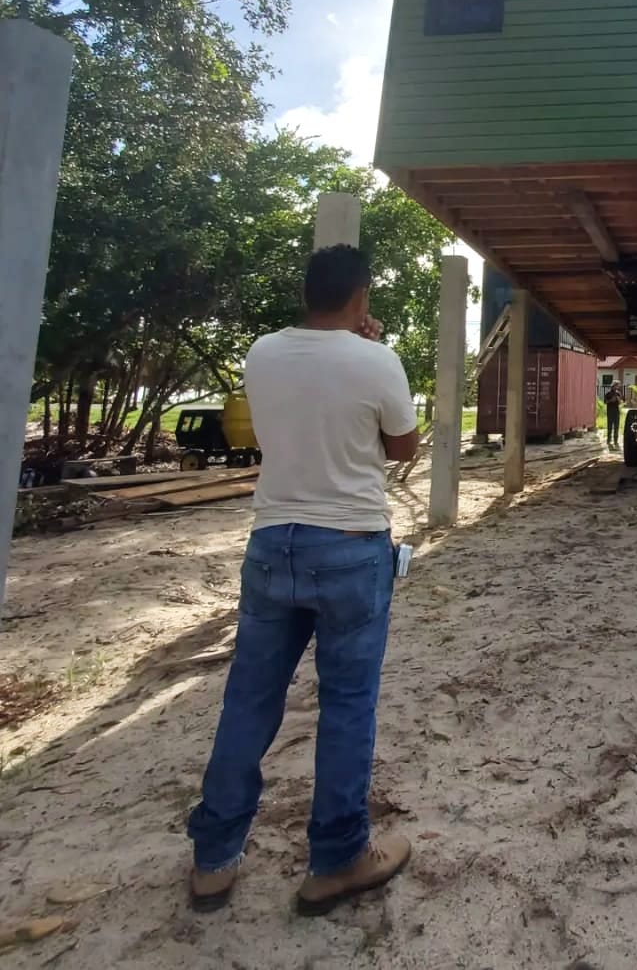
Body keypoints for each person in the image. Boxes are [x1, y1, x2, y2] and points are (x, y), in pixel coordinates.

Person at [187, 245, 420, 917]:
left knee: (250, 698)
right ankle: (339, 857)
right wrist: (368, 351)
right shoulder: (377, 359)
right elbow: (402, 445)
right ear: (362, 296)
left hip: (271, 543)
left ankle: (213, 859)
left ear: (307, 292)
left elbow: (289, 416)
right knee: (346, 704)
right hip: (350, 545)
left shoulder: (262, 352)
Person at [604, 381, 625, 448]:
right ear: (613, 386)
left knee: (616, 427)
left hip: (616, 412)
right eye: (616, 386)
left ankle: (615, 441)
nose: (617, 387)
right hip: (610, 412)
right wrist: (611, 400)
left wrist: (618, 399)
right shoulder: (608, 394)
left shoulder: (618, 393)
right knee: (609, 427)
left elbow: (620, 402)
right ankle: (609, 440)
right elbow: (605, 402)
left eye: (618, 386)